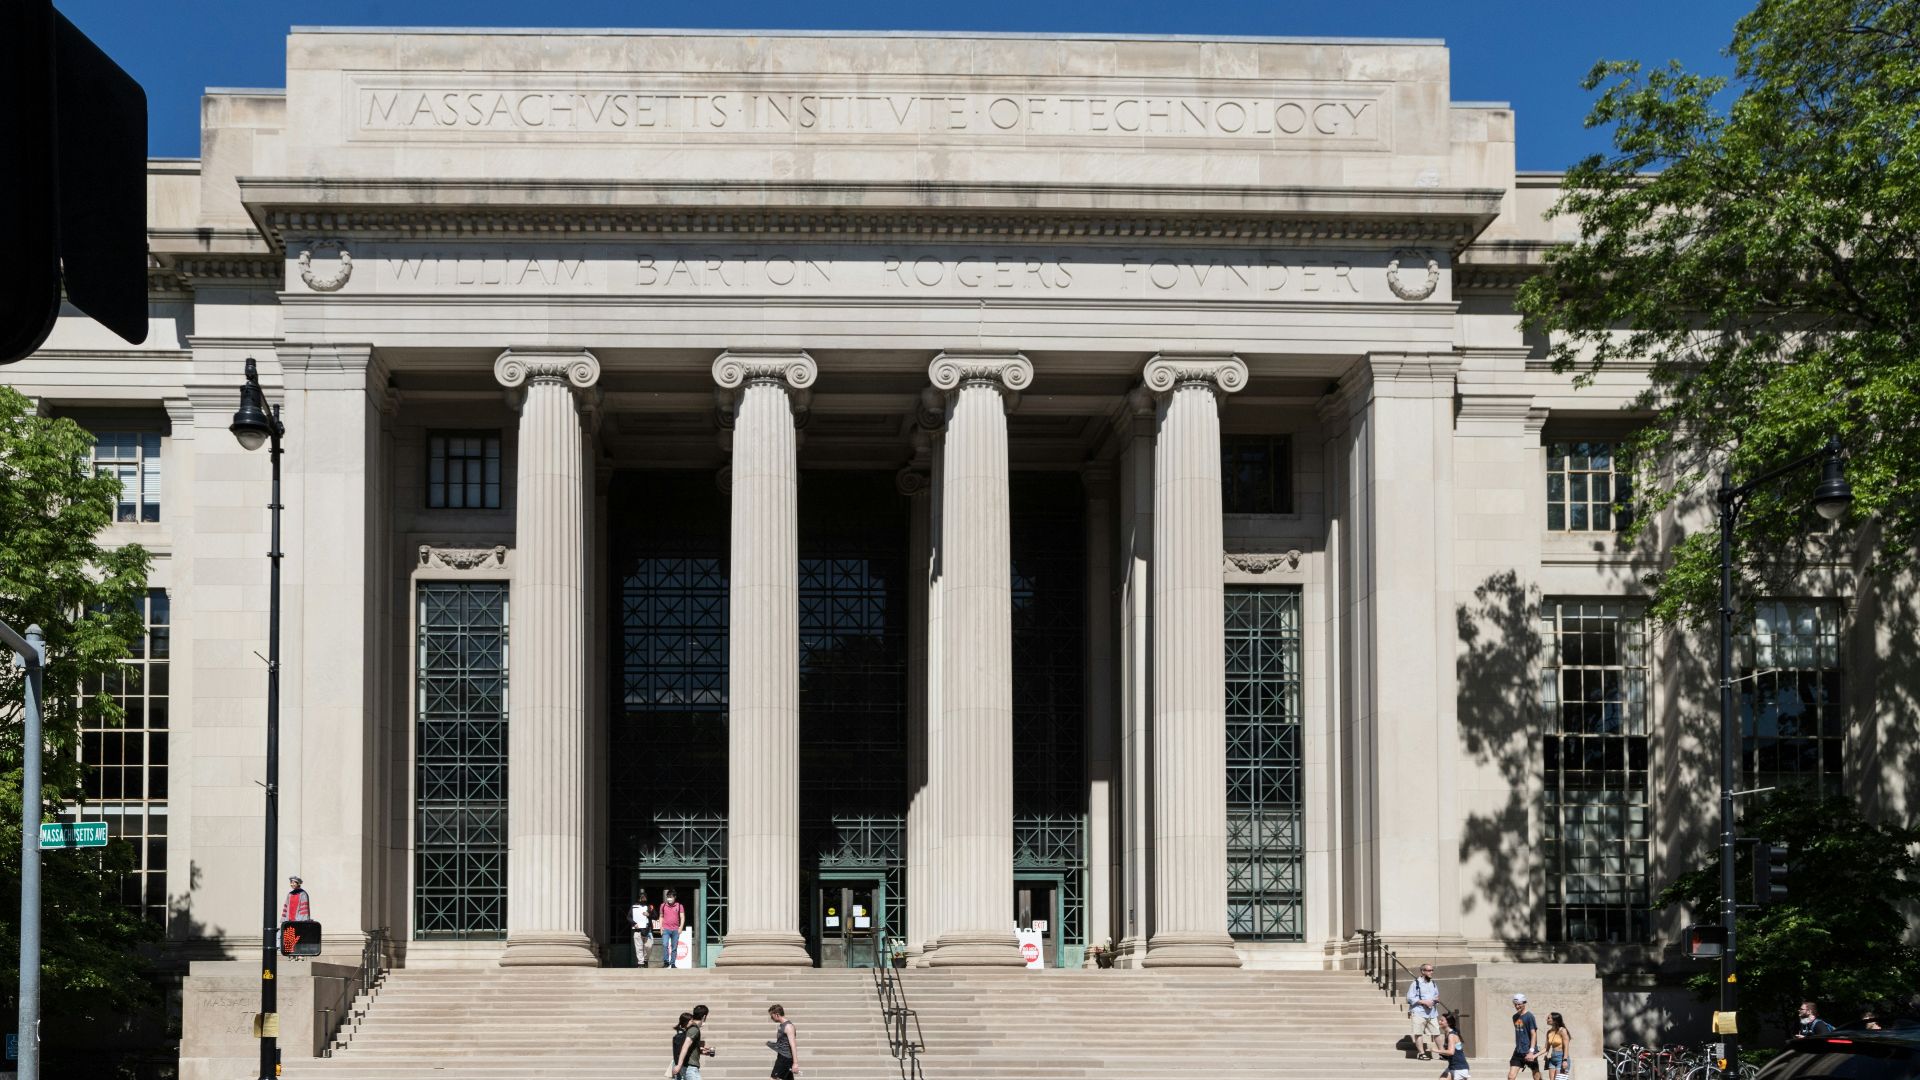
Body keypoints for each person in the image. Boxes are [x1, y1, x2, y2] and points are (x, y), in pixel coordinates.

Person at [1408, 963, 1442, 1059]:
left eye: (1432, 970)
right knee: (1418, 1033)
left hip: (1432, 1012)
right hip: (1419, 1011)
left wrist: (1435, 1000)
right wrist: (1424, 1002)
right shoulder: (1416, 983)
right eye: (1429, 970)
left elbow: (1437, 995)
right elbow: (1410, 998)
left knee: (1436, 1032)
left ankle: (1442, 1052)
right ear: (1423, 971)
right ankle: (1421, 1053)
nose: (1431, 972)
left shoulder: (1433, 983)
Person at [671, 1004, 713, 1080]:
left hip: (686, 1067)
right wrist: (679, 1066)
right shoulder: (694, 1029)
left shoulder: (691, 1028)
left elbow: (688, 1047)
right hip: (689, 1068)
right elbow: (685, 1046)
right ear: (704, 1017)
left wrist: (700, 1051)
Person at [1507, 994, 1541, 1080]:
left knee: (1536, 1076)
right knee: (1511, 1077)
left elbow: (1533, 1034)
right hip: (1518, 1051)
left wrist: (1531, 1051)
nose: (1517, 1006)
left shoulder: (1529, 1016)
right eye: (1515, 1004)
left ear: (1524, 1003)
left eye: (1519, 1004)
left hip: (1529, 1051)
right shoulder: (1515, 1017)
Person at [280, 875, 313, 960]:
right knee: (290, 935)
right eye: (291, 882)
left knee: (299, 936)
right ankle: (291, 953)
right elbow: (286, 907)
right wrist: (284, 919)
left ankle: (300, 954)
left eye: (294, 882)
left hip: (299, 920)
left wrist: (302, 919)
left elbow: (304, 908)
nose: (292, 884)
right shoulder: (290, 894)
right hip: (290, 919)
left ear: (298, 883)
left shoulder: (303, 894)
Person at [766, 1003, 799, 1079]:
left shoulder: (788, 1027)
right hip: (782, 1056)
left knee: (773, 1078)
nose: (771, 1018)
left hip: (785, 1059)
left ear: (777, 1014)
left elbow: (793, 1045)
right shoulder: (782, 1025)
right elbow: (783, 1043)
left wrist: (795, 1063)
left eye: (772, 1015)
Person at [1438, 1011, 1471, 1080]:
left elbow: (1451, 1052)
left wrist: (1436, 1050)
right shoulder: (1447, 1033)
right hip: (1453, 1066)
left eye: (1442, 1020)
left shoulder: (1451, 1035)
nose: (1439, 1021)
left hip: (1459, 1068)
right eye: (1440, 1020)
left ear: (1449, 1023)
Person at [660, 889, 686, 970]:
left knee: (674, 947)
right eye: (668, 897)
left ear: (675, 897)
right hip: (666, 929)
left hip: (675, 930)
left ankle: (673, 963)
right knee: (665, 944)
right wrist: (661, 927)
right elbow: (661, 916)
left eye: (671, 897)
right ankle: (666, 962)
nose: (669, 899)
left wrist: (681, 927)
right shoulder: (663, 905)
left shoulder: (679, 906)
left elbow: (682, 917)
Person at [1544, 1011, 1571, 1080]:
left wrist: (1565, 1060)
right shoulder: (1549, 1032)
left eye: (1548, 1018)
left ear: (1554, 1020)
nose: (1546, 1019)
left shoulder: (1562, 1030)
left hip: (1561, 1058)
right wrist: (1546, 1054)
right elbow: (1547, 1047)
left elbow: (1566, 1047)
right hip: (1553, 1058)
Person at [631, 891, 654, 968]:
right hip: (637, 930)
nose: (643, 899)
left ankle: (645, 960)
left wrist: (649, 914)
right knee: (639, 947)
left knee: (649, 946)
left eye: (644, 897)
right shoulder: (634, 907)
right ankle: (640, 963)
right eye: (641, 897)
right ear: (639, 898)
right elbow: (628, 917)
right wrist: (634, 924)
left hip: (648, 930)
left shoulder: (650, 906)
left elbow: (656, 916)